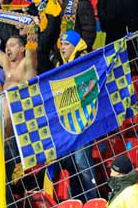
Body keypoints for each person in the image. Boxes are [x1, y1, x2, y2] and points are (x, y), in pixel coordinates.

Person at [52, 30, 98, 202]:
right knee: (70, 164)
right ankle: (78, 201)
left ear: (76, 45)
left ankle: (92, 201)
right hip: (67, 123)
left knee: (82, 162)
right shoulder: (60, 65)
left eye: (67, 44)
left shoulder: (84, 60)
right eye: (62, 44)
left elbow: (91, 85)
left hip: (84, 121)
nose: (63, 48)